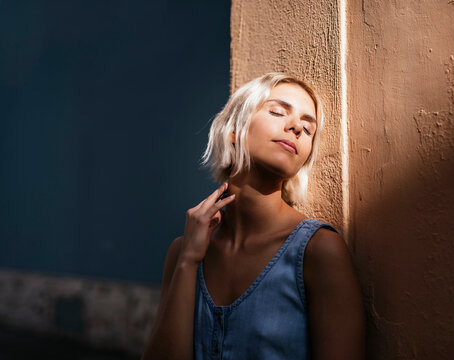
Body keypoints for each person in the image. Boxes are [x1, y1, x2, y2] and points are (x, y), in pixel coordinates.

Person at [141, 73, 365, 360]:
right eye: (277, 112)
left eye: (308, 129)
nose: (296, 127)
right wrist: (188, 261)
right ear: (234, 129)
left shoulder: (319, 250)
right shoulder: (182, 253)